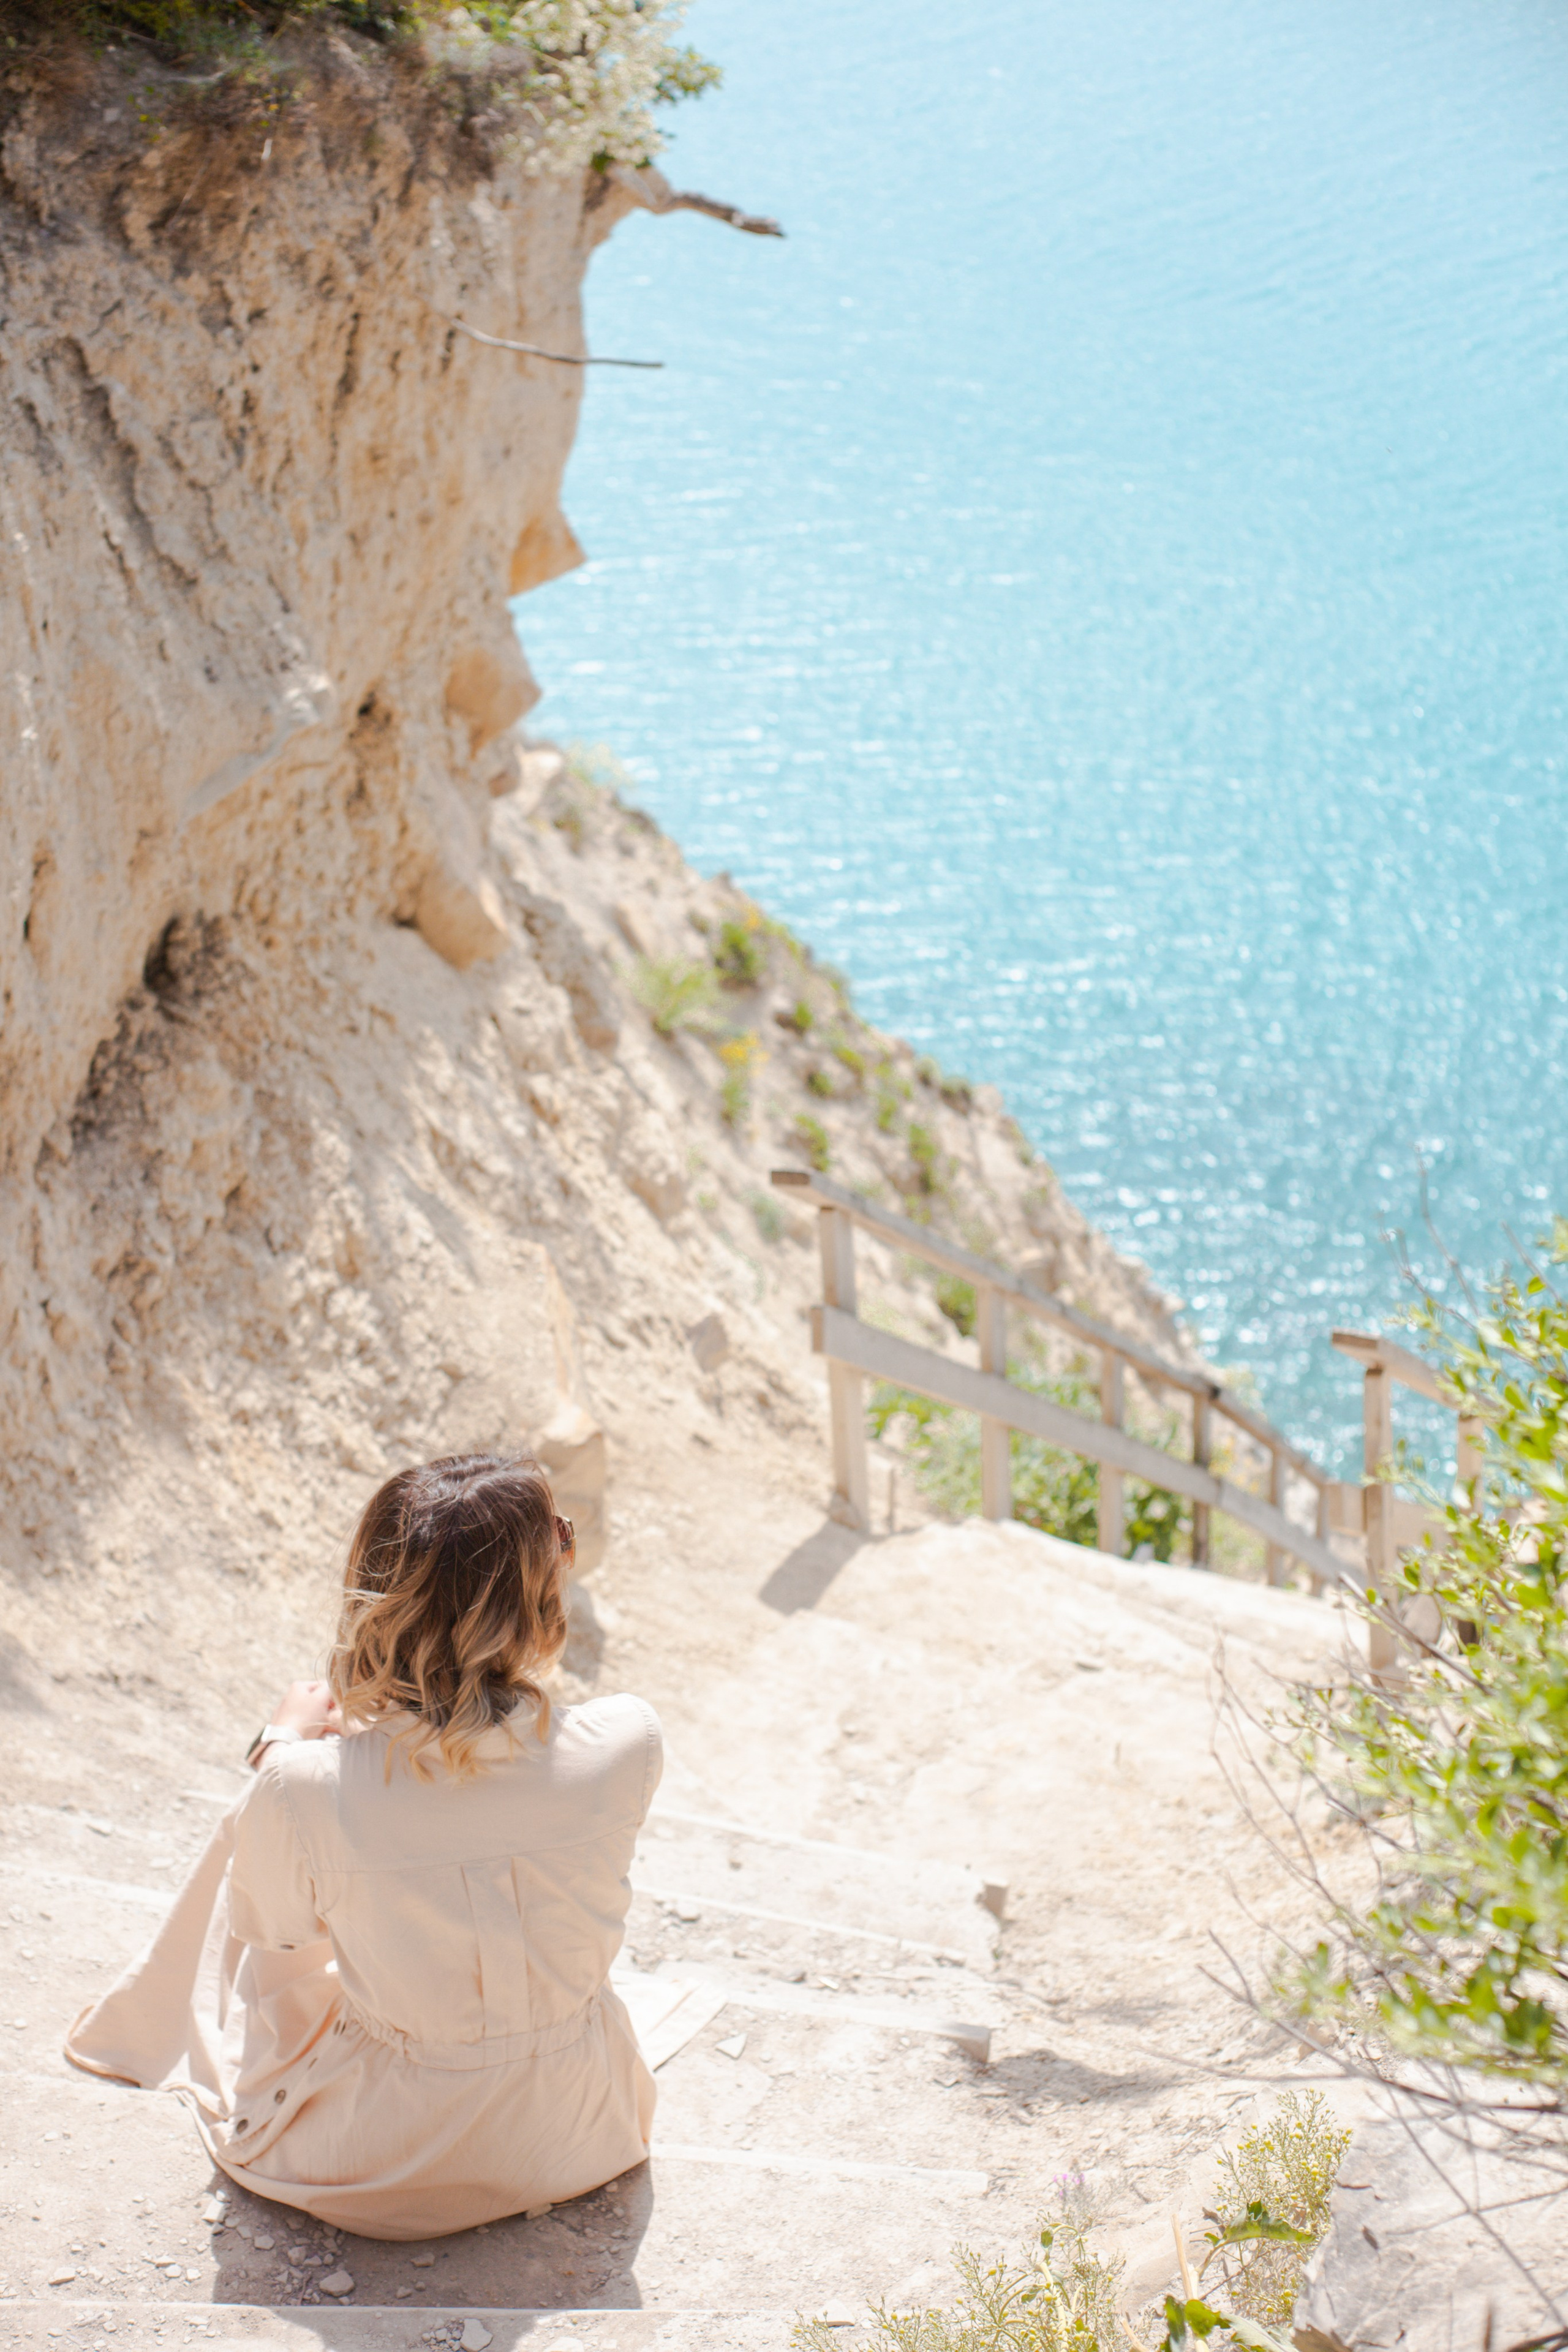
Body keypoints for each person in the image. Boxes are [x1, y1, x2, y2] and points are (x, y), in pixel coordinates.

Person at [65, 1452, 662, 2240]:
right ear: (541, 1586)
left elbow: (278, 1939)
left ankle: (142, 2027)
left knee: (260, 1843)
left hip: (388, 2167)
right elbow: (485, 1793)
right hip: (590, 2130)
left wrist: (285, 1753)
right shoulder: (627, 1738)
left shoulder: (306, 1787)